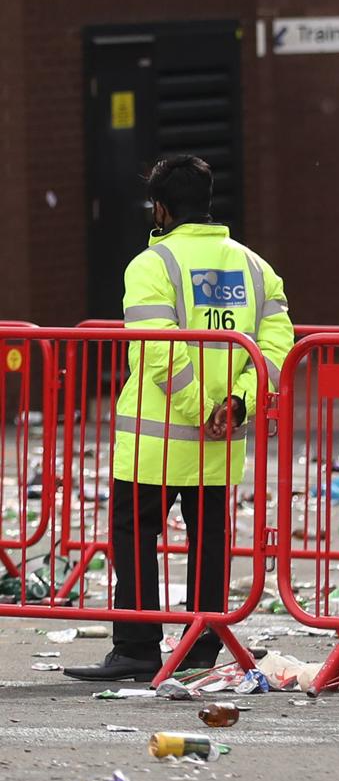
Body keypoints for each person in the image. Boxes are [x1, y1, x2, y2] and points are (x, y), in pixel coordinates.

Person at [65, 155, 293, 682]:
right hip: (219, 443)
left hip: (156, 443)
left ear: (162, 209)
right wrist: (237, 404)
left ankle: (138, 647)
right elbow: (276, 351)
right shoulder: (257, 270)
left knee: (135, 535)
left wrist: (200, 412)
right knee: (210, 543)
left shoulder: (152, 266)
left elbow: (158, 353)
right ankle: (202, 645)